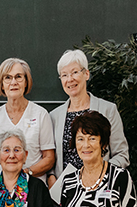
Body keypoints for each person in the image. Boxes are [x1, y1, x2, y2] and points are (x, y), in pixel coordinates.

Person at [48, 49, 129, 188]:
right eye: (64, 75)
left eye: (74, 72)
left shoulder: (108, 110)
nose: (70, 79)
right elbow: (50, 158)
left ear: (86, 74)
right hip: (65, 193)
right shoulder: (54, 116)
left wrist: (101, 175)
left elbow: (122, 154)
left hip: (101, 190)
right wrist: (51, 179)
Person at [0, 58, 55, 185]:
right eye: (8, 78)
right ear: (2, 84)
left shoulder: (41, 114)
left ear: (26, 82)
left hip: (33, 190)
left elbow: (49, 158)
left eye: (18, 77)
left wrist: (25, 174)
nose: (13, 82)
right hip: (0, 194)